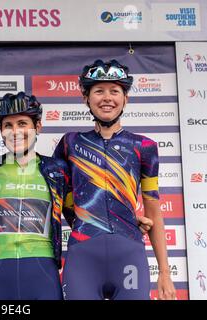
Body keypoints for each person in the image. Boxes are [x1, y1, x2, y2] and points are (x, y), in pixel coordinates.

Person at [0, 92, 152, 300]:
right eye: (8, 125)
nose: (16, 131)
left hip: (43, 268)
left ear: (38, 127)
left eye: (23, 123)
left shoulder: (56, 169)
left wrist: (125, 221)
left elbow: (78, 211)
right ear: (1, 130)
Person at [53, 59, 176, 300]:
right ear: (85, 99)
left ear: (126, 99)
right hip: (83, 255)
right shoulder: (70, 143)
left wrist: (164, 272)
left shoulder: (144, 146)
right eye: (98, 91)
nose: (106, 97)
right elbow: (63, 202)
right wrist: (87, 221)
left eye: (114, 91)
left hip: (129, 254)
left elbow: (153, 209)